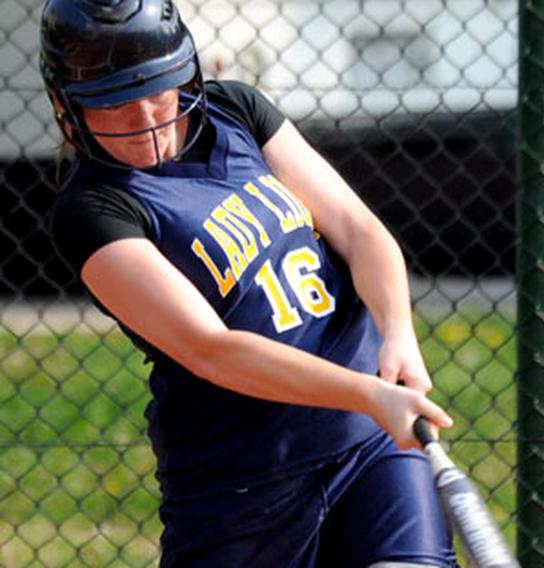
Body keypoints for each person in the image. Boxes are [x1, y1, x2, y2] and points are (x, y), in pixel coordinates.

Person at [39, 0, 457, 566]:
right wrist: (369, 394)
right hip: (243, 485)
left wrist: (398, 334)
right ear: (69, 109)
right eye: (112, 104)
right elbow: (212, 350)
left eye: (157, 90)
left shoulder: (236, 111)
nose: (143, 121)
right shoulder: (93, 208)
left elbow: (360, 231)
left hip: (369, 444)